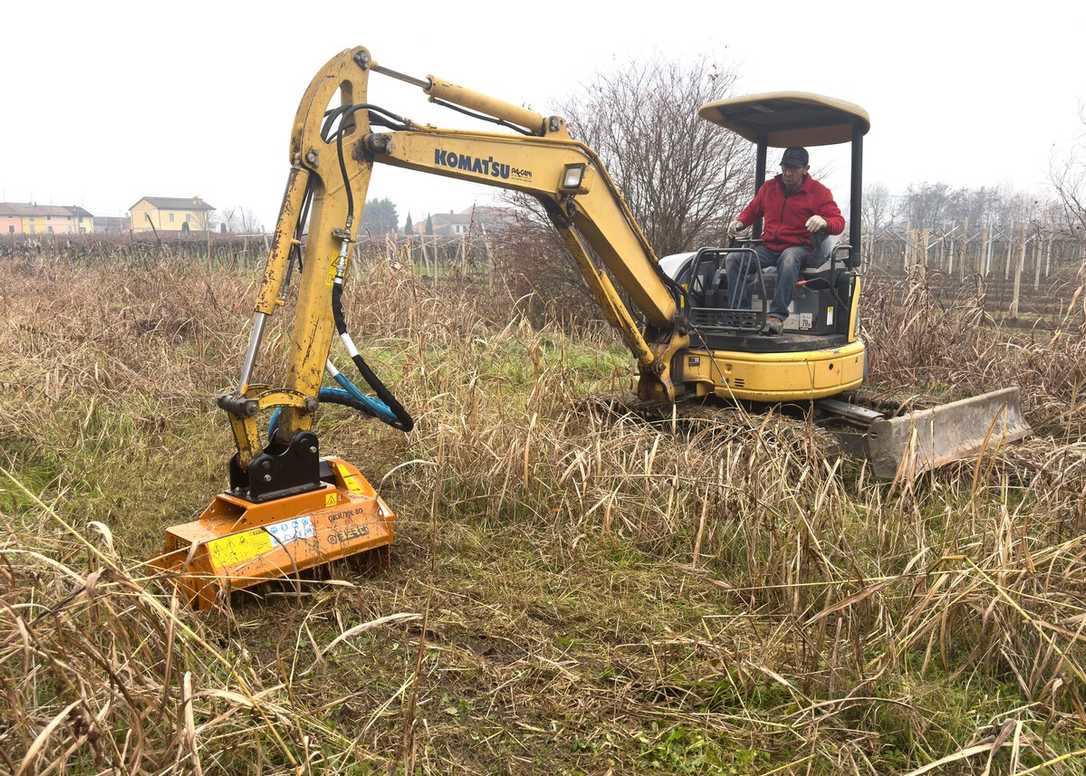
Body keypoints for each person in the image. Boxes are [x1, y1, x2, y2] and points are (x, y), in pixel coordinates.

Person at [726, 147, 844, 334]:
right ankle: (741, 315)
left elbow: (838, 222)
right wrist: (740, 221)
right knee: (734, 259)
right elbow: (753, 209)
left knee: (789, 258)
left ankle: (776, 316)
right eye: (785, 167)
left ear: (806, 169)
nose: (788, 173)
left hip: (801, 248)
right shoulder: (769, 188)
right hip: (770, 247)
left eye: (794, 169)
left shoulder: (818, 193)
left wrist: (824, 221)